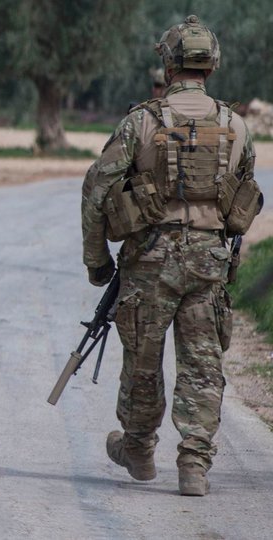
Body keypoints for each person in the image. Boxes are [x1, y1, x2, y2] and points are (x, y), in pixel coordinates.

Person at [80, 15, 262, 497]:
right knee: (203, 364)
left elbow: (97, 190)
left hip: (149, 260)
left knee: (143, 359)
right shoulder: (235, 125)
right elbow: (243, 198)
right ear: (212, 65)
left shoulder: (140, 121)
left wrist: (97, 260)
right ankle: (194, 464)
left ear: (168, 64)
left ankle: (139, 451)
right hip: (208, 262)